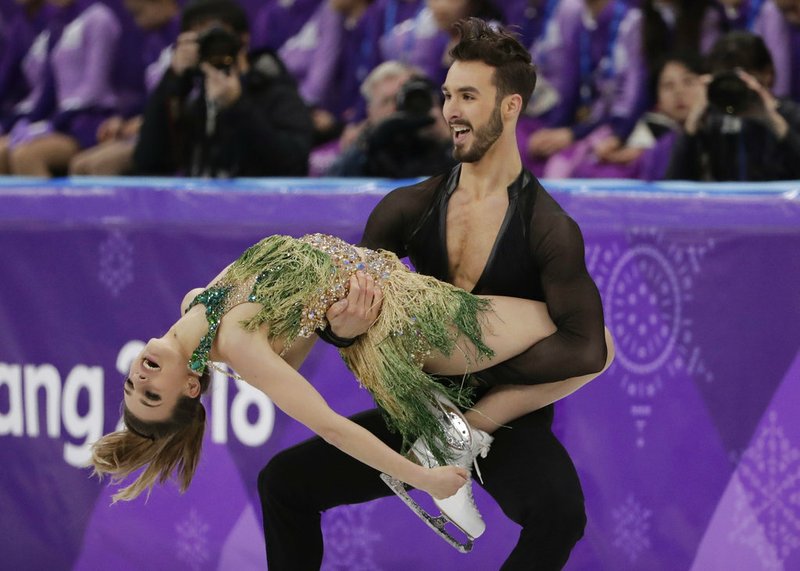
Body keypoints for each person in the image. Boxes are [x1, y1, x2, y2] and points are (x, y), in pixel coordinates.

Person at [259, 18, 613, 571]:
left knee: (560, 514)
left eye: (468, 96)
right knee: (284, 483)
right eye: (448, 94)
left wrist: (476, 408)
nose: (450, 110)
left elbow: (587, 348)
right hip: (418, 409)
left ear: (511, 106)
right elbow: (337, 314)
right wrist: (343, 327)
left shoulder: (549, 226)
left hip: (505, 423)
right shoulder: (408, 206)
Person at [89, 231, 603, 509]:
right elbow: (329, 425)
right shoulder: (235, 341)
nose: (141, 376)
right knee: (594, 342)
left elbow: (293, 333)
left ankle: (465, 427)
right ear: (188, 386)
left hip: (402, 295)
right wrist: (419, 478)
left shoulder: (196, 305)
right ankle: (465, 434)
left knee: (589, 342)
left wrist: (324, 321)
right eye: (152, 395)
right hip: (416, 322)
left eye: (133, 385)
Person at [133, 0, 313, 177]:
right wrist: (172, 79)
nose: (212, 46)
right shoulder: (192, 99)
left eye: (217, 34)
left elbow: (293, 165)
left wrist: (238, 105)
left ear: (243, 38)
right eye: (202, 39)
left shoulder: (276, 91)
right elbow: (148, 162)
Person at [6, 0, 122, 177]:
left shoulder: (99, 18)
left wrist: (52, 123)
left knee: (25, 156)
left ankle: (46, 206)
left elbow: (95, 89)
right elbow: (47, 92)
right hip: (63, 122)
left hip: (90, 121)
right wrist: (25, 122)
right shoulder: (57, 25)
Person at [666, 31, 800, 180]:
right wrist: (693, 121)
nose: (734, 86)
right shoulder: (714, 120)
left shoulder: (790, 114)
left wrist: (771, 119)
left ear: (767, 74)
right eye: (725, 77)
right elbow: (675, 182)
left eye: (740, 77)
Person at [68, 0, 180, 176]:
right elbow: (148, 97)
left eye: (140, 13)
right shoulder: (152, 42)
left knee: (100, 165)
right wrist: (123, 120)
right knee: (79, 165)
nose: (137, 23)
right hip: (149, 126)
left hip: (173, 130)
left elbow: (182, 95)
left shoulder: (184, 35)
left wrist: (148, 121)